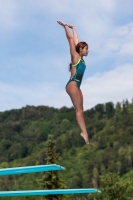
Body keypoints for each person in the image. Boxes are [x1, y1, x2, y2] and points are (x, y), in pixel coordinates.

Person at [57, 20, 89, 144]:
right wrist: (65, 27)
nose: (88, 51)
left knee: (81, 109)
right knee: (79, 110)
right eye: (86, 48)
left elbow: (76, 40)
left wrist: (74, 28)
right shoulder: (75, 57)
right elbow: (71, 40)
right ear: (81, 49)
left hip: (77, 85)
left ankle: (84, 133)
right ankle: (84, 133)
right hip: (73, 83)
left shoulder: (80, 58)